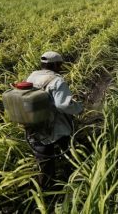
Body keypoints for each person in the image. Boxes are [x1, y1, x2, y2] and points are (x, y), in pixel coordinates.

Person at [26, 51, 83, 189]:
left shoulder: (33, 76)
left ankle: (44, 185)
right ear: (55, 64)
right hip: (53, 125)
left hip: (33, 124)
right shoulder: (57, 81)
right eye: (60, 64)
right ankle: (74, 176)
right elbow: (63, 105)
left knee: (43, 158)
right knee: (68, 147)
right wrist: (79, 107)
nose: (61, 67)